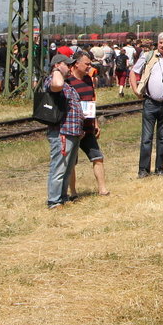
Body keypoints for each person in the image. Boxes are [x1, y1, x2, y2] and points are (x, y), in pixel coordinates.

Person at [129, 31, 163, 177]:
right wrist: (136, 90)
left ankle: (160, 168)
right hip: (150, 103)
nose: (162, 46)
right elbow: (133, 72)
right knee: (147, 138)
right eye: (160, 43)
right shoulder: (148, 56)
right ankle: (143, 169)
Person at [66, 50, 110, 198]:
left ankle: (102, 189)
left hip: (88, 128)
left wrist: (95, 122)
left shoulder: (88, 79)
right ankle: (73, 192)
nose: (89, 67)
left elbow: (91, 102)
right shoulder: (68, 82)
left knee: (98, 157)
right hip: (73, 129)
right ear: (76, 64)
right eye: (86, 64)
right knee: (71, 162)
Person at [43, 54, 83, 210]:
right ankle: (54, 201)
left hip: (72, 131)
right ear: (58, 65)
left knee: (67, 168)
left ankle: (63, 197)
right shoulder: (52, 80)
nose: (70, 68)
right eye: (67, 65)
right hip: (62, 132)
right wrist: (56, 71)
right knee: (59, 167)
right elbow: (57, 84)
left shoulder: (68, 84)